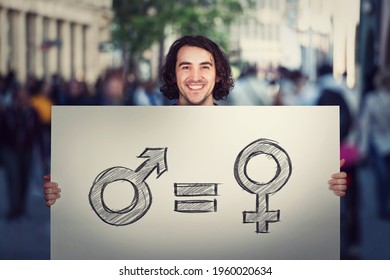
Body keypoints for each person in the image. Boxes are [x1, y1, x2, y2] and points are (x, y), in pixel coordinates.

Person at [43, 35, 348, 206]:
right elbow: (106, 183)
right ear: (172, 75)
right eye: (185, 67)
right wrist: (65, 191)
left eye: (205, 67)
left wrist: (323, 186)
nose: (195, 76)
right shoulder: (140, 129)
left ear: (219, 75)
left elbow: (282, 189)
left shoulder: (247, 132)